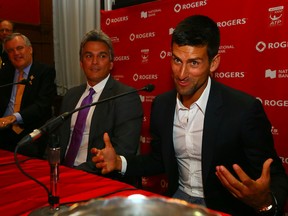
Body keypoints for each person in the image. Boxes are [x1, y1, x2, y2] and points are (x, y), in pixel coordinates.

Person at [91, 15, 288, 215]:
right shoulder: (162, 105)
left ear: (214, 63)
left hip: (224, 209)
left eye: (194, 63)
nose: (181, 73)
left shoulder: (244, 110)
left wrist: (265, 202)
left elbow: (277, 177)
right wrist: (119, 162)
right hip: (178, 201)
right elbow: (159, 159)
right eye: (177, 60)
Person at [57, 29, 143, 186]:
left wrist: (74, 175)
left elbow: (123, 150)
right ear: (81, 63)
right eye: (89, 56)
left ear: (111, 63)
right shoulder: (71, 95)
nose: (94, 62)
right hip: (62, 173)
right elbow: (57, 140)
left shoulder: (125, 96)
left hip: (99, 178)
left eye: (102, 56)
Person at [0, 33, 57, 158]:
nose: (16, 53)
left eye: (19, 48)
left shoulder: (44, 71)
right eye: (11, 51)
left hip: (30, 132)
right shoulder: (4, 73)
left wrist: (13, 118)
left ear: (30, 49)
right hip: (3, 130)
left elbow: (42, 105)